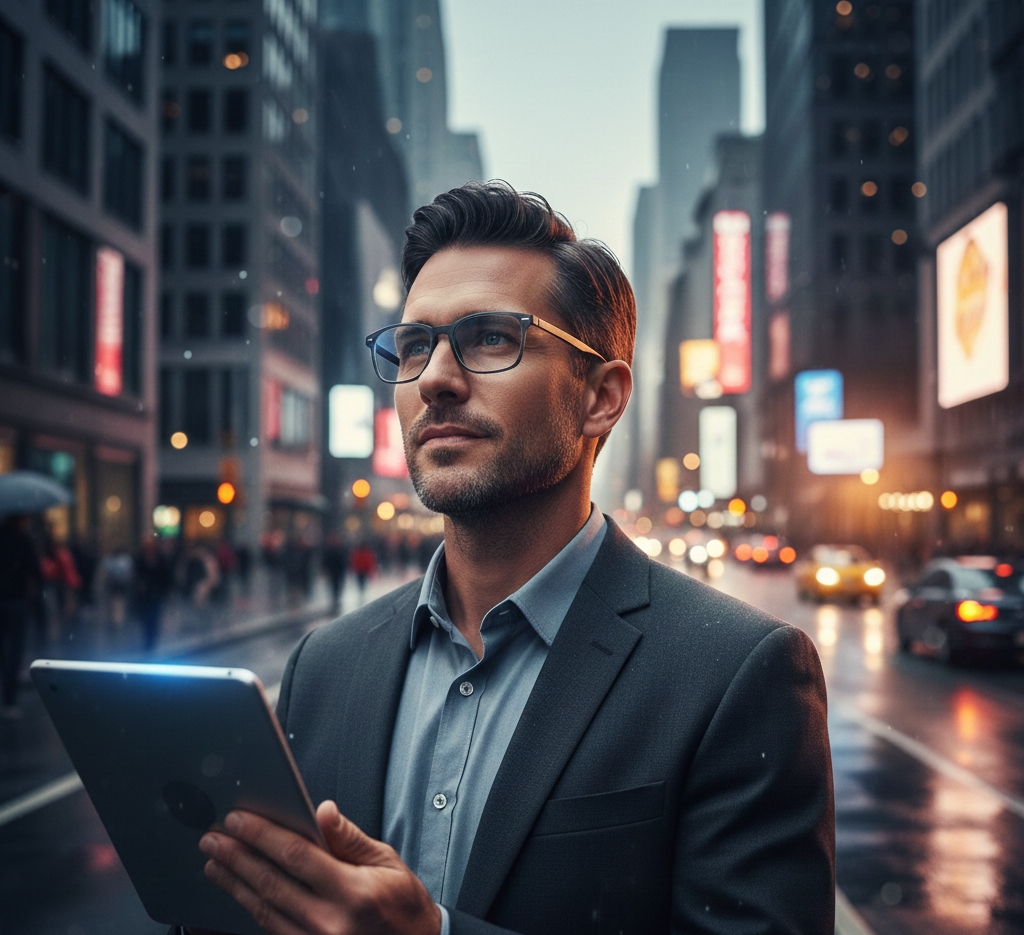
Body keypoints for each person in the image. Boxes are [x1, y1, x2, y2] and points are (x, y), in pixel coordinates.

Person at [187, 182, 835, 935]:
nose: (433, 377)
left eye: (491, 337)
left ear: (601, 397)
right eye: (414, 344)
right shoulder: (322, 667)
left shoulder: (736, 674)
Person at [0, 514, 43, 718]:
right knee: (14, 652)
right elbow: (35, 570)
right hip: (16, 601)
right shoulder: (23, 540)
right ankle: (9, 700)